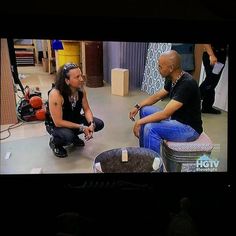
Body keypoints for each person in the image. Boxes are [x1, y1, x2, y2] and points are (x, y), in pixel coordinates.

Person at [129, 50, 203, 155]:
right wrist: (138, 106)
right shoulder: (172, 77)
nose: (158, 68)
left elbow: (165, 114)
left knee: (150, 129)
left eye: (160, 66)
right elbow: (157, 96)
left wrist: (139, 122)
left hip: (189, 129)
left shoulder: (187, 83)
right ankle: (144, 154)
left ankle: (154, 167)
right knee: (144, 110)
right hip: (176, 118)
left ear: (171, 68)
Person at [45, 62, 104, 158]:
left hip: (73, 119)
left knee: (99, 124)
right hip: (56, 125)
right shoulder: (56, 94)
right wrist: (82, 127)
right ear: (67, 81)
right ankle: (55, 143)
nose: (81, 79)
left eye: (81, 75)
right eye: (77, 77)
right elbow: (58, 122)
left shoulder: (80, 90)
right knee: (69, 136)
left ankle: (73, 136)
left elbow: (87, 109)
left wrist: (91, 124)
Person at [199, 43, 228, 114]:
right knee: (210, 81)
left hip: (220, 56)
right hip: (213, 56)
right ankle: (191, 99)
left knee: (212, 83)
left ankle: (207, 107)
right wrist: (211, 55)